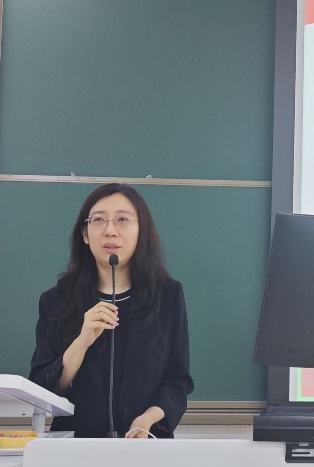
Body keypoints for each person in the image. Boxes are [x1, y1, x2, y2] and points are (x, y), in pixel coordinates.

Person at [29, 183, 193, 438]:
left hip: (144, 444)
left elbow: (177, 382)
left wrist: (148, 420)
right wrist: (81, 342)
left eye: (122, 220)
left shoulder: (167, 296)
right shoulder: (56, 301)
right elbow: (41, 387)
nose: (110, 231)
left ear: (141, 231)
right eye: (99, 220)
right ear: (85, 234)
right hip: (74, 446)